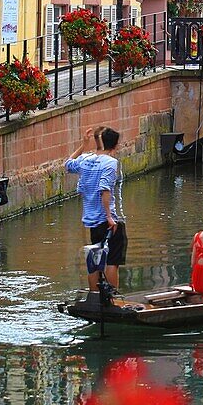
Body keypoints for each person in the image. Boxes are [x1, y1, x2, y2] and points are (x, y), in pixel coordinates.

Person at [65, 125, 127, 292]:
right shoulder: (111, 163)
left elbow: (68, 164)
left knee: (95, 258)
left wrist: (83, 145)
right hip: (108, 219)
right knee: (112, 260)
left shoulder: (86, 159)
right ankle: (112, 298)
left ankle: (94, 295)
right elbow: (104, 189)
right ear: (115, 145)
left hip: (91, 219)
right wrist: (109, 217)